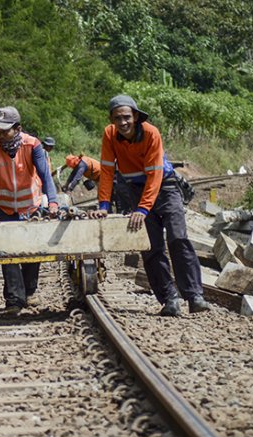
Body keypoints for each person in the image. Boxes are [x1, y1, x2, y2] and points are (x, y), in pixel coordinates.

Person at [90, 95, 210, 316]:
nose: (123, 122)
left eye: (127, 117)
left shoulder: (151, 133)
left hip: (165, 187)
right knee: (151, 246)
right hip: (136, 189)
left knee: (178, 237)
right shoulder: (109, 135)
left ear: (135, 116)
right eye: (118, 118)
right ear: (111, 120)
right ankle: (169, 299)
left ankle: (194, 296)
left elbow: (155, 175)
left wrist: (143, 209)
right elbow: (106, 171)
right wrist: (104, 205)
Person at [0, 106, 59, 312]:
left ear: (18, 128)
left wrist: (53, 202)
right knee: (8, 253)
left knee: (32, 252)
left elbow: (45, 175)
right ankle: (14, 300)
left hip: (29, 206)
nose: (1, 136)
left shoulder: (33, 145)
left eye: (5, 131)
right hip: (2, 208)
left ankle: (30, 292)